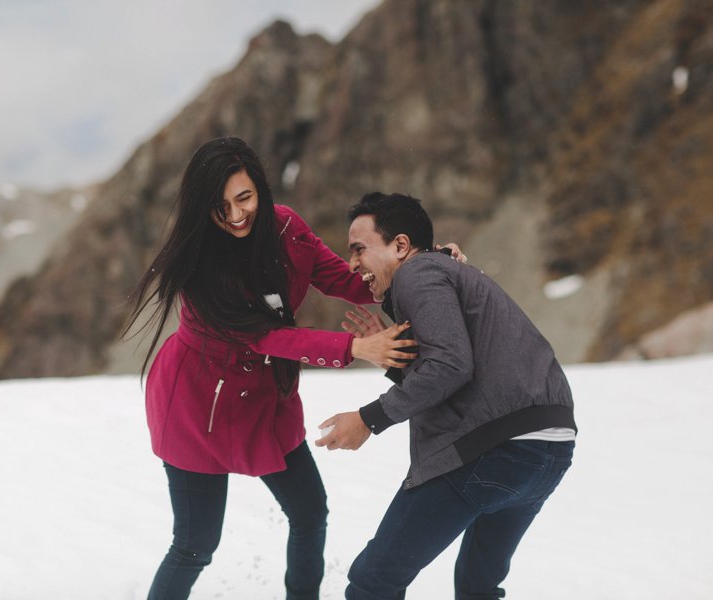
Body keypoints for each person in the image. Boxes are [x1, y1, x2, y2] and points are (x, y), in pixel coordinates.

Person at [121, 138, 465, 599]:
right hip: (196, 402)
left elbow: (346, 281)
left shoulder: (286, 228)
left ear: (260, 189)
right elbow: (266, 337)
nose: (236, 214)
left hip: (265, 399)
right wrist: (356, 347)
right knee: (195, 545)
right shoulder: (200, 265)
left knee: (309, 513)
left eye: (244, 198)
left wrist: (423, 261)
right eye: (220, 206)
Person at [316, 192, 577, 600]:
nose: (352, 265)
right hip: (549, 450)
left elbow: (452, 366)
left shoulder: (418, 274)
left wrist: (368, 418)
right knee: (477, 587)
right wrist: (395, 362)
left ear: (401, 245)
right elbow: (456, 369)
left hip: (493, 450)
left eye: (358, 249)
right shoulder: (443, 273)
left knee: (373, 582)